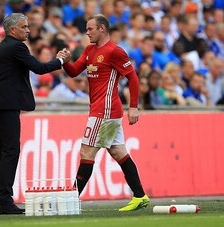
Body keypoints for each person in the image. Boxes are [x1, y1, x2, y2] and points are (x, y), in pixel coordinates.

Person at [62, 14, 150, 211]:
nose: (87, 32)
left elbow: (133, 79)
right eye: (86, 28)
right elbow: (75, 71)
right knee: (119, 152)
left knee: (86, 152)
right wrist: (66, 61)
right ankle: (140, 195)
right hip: (103, 110)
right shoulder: (88, 50)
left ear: (102, 28)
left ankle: (70, 199)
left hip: (105, 111)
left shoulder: (115, 52)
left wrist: (134, 106)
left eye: (90, 28)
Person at [0, 13, 68, 215]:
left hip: (0, 104)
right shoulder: (16, 47)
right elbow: (39, 68)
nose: (28, 30)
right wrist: (59, 60)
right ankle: (5, 200)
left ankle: (3, 199)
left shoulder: (0, 47)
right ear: (13, 29)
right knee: (10, 151)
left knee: (3, 151)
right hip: (7, 105)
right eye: (24, 27)